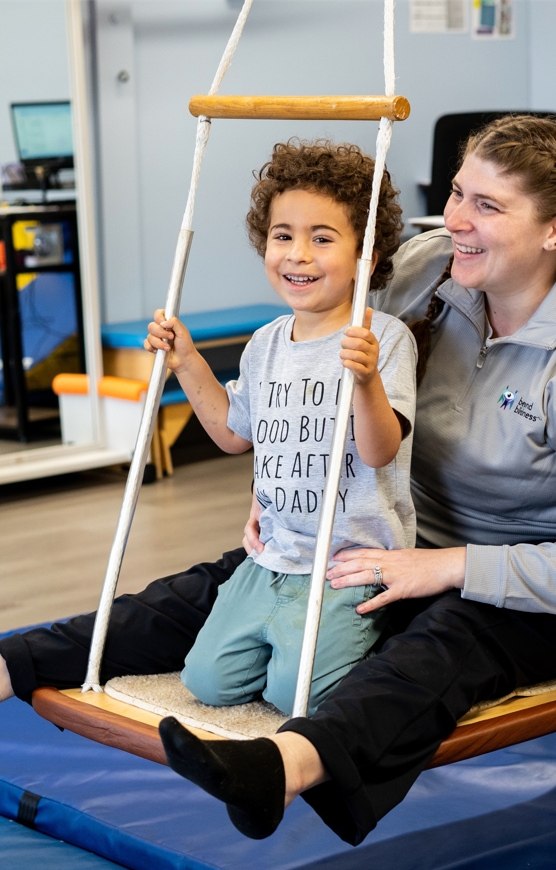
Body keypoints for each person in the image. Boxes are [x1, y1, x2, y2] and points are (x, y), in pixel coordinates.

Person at [0, 116, 556, 847]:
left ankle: (286, 767)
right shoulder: (429, 270)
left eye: (486, 205)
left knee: (459, 633)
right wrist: (287, 468)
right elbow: (318, 351)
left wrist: (448, 568)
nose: (455, 219)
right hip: (425, 529)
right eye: (454, 194)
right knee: (243, 575)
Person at [143, 139, 417, 716]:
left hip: (351, 562)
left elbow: (379, 451)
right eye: (282, 235)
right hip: (272, 554)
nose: (297, 254)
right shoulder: (265, 344)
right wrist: (187, 362)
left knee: (296, 694)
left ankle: (381, 634)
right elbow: (232, 434)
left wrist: (364, 381)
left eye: (322, 238)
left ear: (365, 257)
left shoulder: (383, 338)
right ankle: (293, 637)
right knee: (209, 682)